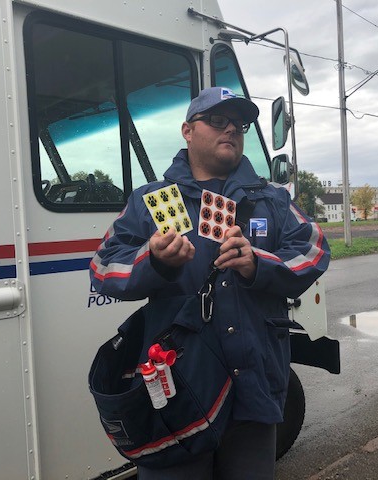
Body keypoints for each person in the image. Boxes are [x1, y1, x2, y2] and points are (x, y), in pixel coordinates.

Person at [90, 86, 330, 479]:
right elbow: (102, 267)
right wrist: (153, 261)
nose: (232, 130)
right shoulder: (151, 200)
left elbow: (314, 250)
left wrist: (257, 263)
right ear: (187, 130)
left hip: (254, 390)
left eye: (240, 124)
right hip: (177, 392)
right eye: (218, 120)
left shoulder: (270, 199)